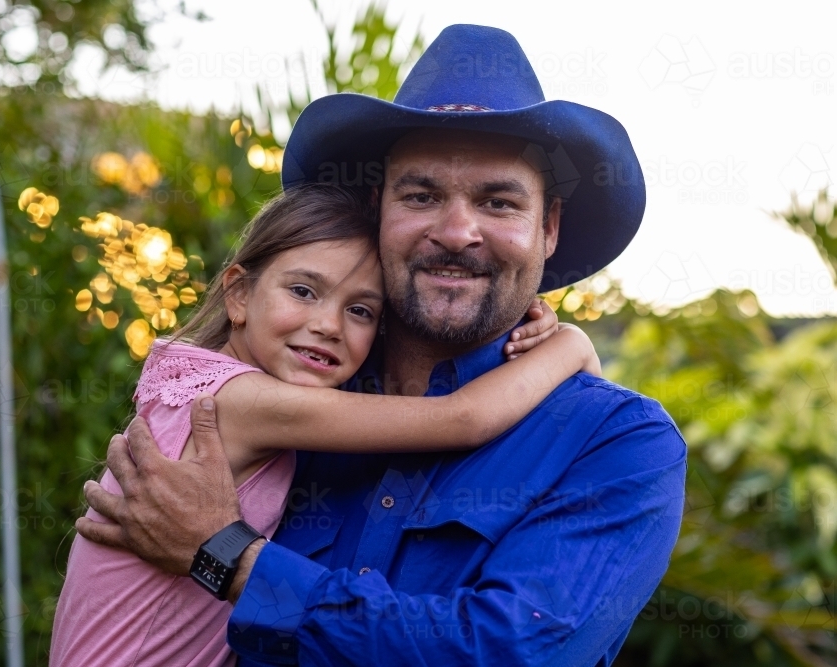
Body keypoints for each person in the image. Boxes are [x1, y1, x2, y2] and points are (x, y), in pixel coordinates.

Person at [76, 24, 687, 666]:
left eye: (499, 202)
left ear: (549, 228)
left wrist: (229, 560)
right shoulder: (295, 387)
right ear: (379, 211)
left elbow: (503, 653)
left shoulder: (616, 442)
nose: (456, 232)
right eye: (421, 195)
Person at [51, 183, 600, 666]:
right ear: (239, 293)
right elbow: (463, 418)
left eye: (361, 311)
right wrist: (572, 345)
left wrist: (521, 314)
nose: (327, 326)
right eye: (303, 291)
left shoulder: (210, 372)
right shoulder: (242, 402)